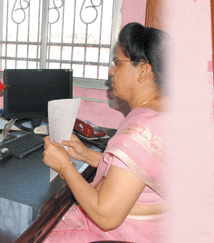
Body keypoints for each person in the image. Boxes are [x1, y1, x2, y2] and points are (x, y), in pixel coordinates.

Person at [42, 23, 167, 241]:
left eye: (118, 64)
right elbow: (136, 174)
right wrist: (86, 155)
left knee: (39, 229)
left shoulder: (141, 130)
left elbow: (105, 215)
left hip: (123, 235)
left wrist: (65, 165)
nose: (111, 71)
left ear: (144, 71)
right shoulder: (163, 113)